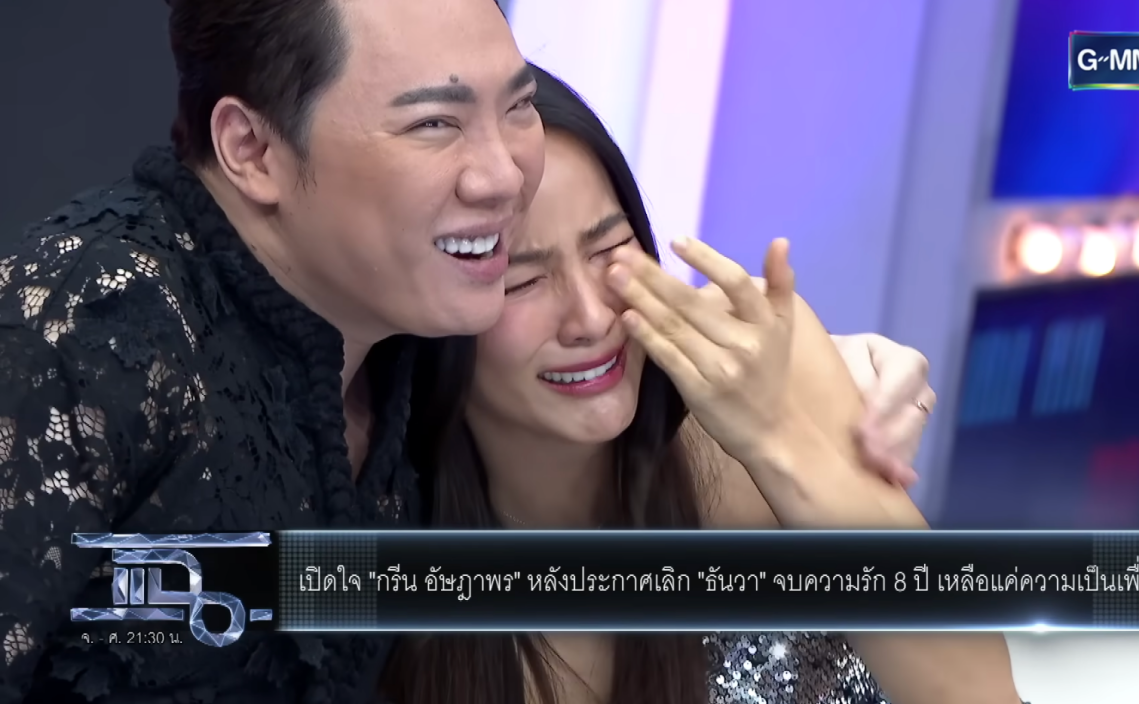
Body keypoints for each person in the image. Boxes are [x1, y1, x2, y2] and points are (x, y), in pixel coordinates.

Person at [0, 1, 937, 702]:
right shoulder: (92, 325)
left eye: (515, 104)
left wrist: (835, 384)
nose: (500, 174)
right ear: (251, 147)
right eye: (434, 122)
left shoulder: (406, 324)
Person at [380, 65, 1023, 704]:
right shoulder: (377, 534)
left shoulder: (758, 359)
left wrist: (779, 439)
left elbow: (984, 692)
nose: (593, 319)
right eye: (522, 281)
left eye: (610, 250)